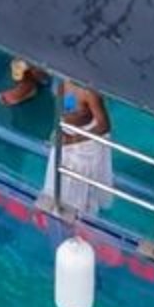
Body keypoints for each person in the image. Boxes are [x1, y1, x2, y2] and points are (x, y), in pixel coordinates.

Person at [42, 81, 114, 215]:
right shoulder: (61, 81)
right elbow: (62, 109)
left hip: (85, 139)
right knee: (58, 171)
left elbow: (104, 126)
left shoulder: (89, 93)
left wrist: (73, 140)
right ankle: (57, 202)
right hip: (66, 132)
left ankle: (81, 212)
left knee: (80, 180)